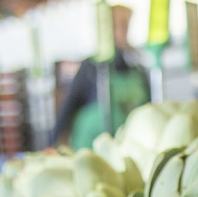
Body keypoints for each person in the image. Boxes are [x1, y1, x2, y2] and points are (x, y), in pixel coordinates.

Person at [53, 4, 150, 150]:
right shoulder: (91, 67)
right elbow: (70, 105)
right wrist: (53, 142)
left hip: (128, 147)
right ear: (107, 28)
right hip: (90, 149)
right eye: (119, 25)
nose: (124, 31)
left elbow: (148, 109)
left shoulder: (137, 67)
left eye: (126, 25)